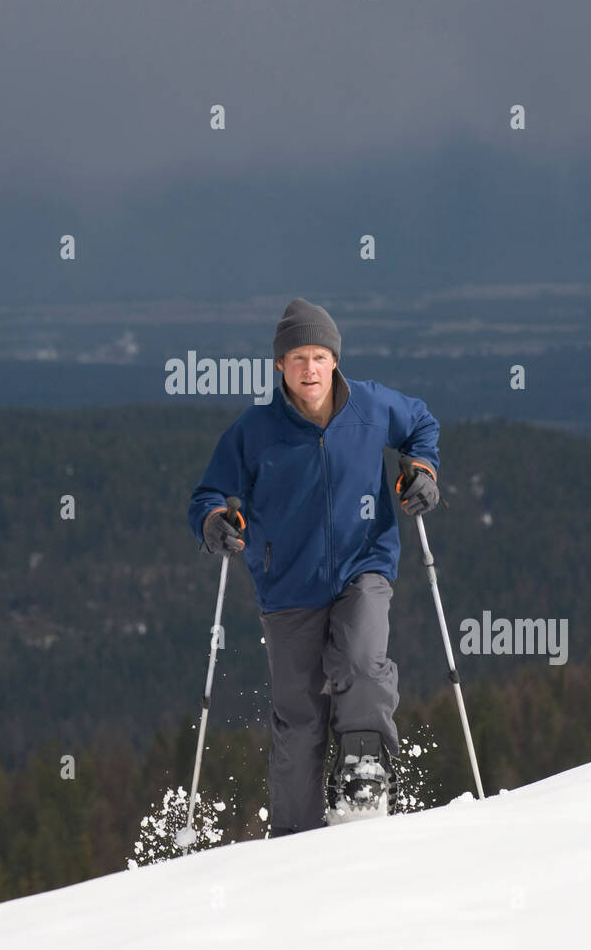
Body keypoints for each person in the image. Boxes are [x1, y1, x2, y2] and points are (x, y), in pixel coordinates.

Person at [187, 297, 440, 835]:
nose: (310, 368)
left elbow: (420, 422)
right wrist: (214, 523)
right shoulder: (255, 431)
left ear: (335, 361)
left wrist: (422, 471)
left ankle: (365, 780)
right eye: (298, 357)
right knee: (300, 722)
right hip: (287, 588)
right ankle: (295, 844)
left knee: (361, 660)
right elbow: (209, 493)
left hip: (362, 565)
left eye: (320, 356)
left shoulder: (370, 407)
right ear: (279, 365)